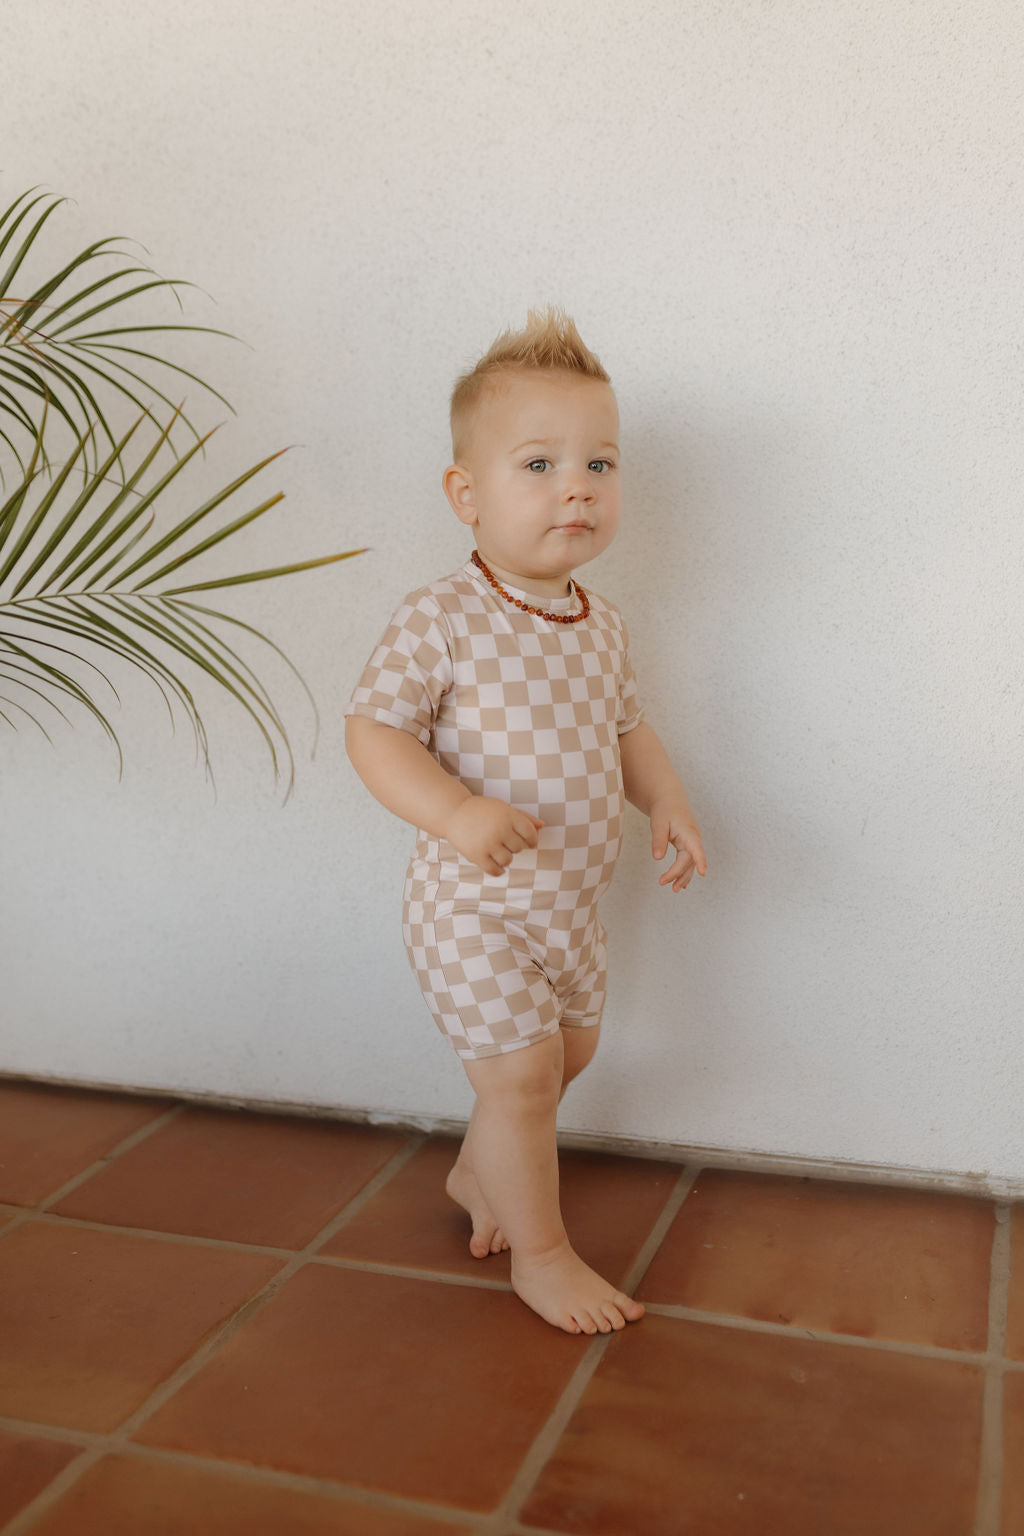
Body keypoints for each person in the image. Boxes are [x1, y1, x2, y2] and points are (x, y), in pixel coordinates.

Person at [345, 308, 706, 1336]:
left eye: (599, 462)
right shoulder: (442, 616)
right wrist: (454, 812)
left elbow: (628, 729)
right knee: (520, 1077)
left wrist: (667, 800)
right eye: (539, 464)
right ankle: (539, 1256)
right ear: (466, 494)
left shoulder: (602, 624)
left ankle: (475, 1171)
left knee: (568, 1058)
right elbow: (373, 732)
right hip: (473, 907)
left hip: (568, 908)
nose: (577, 488)